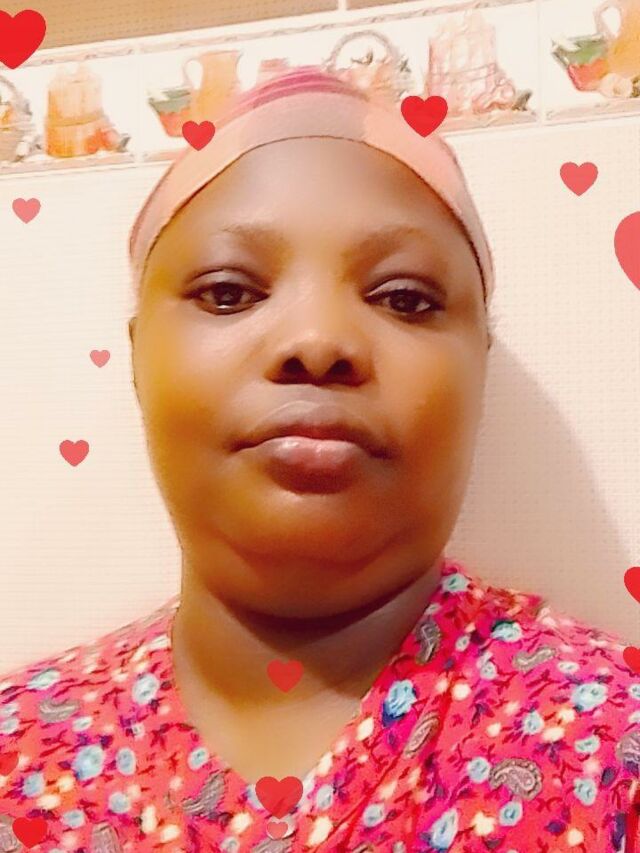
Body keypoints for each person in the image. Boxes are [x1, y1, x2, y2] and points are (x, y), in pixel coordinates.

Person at [0, 66, 638, 853]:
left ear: (479, 360)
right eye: (229, 292)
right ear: (138, 358)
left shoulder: (613, 745)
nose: (317, 339)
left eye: (403, 297)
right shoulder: (19, 753)